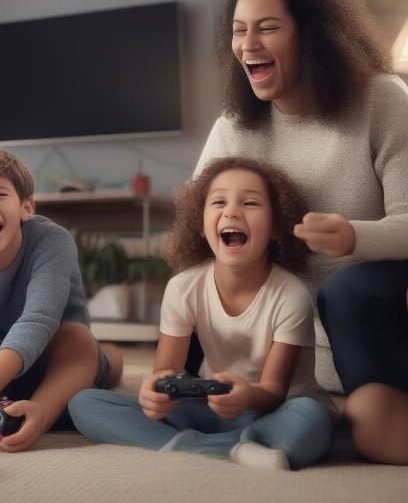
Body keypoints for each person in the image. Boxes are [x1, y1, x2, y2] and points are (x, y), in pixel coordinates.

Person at [195, 0, 408, 464]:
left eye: (267, 28)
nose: (248, 44)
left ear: (312, 35)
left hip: (371, 320)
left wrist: (354, 238)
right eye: (239, 29)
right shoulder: (233, 127)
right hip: (283, 341)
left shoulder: (383, 100)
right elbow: (194, 233)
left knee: (347, 286)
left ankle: (376, 408)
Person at [69, 157, 336, 471]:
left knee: (312, 419)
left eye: (250, 203)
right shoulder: (184, 287)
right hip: (211, 406)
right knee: (84, 403)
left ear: (277, 227)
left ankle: (216, 442)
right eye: (218, 201)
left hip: (276, 408)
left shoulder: (291, 295)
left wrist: (246, 395)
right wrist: (155, 394)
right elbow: (165, 374)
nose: (232, 211)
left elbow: (274, 392)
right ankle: (229, 447)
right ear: (200, 223)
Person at [0, 146, 123, 452]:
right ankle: (12, 397)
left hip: (56, 358)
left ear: (27, 208)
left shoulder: (52, 241)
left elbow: (38, 321)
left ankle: (43, 410)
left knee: (80, 339)